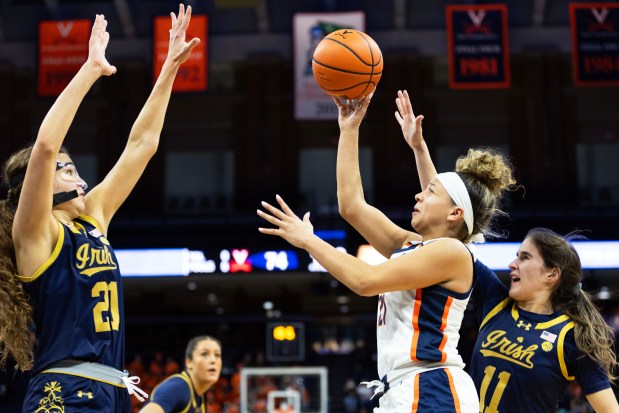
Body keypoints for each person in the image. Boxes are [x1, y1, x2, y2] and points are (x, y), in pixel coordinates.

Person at [257, 91, 516, 412]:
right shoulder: (415, 246)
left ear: (454, 215)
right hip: (405, 388)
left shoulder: (451, 253)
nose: (418, 197)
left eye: (429, 193)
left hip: (433, 388)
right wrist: (349, 129)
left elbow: (365, 281)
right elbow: (351, 206)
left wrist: (309, 240)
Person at [0, 5, 199, 412]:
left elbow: (142, 146)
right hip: (63, 391)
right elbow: (45, 147)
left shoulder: (93, 220)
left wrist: (169, 69)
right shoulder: (36, 233)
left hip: (111, 391)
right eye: (66, 169)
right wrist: (91, 68)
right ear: (34, 189)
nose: (77, 175)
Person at [396, 89, 619, 412]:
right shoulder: (496, 301)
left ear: (551, 274)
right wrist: (419, 149)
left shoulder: (571, 337)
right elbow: (447, 225)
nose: (513, 264)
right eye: (516, 256)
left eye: (525, 257)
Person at [138, 336, 222, 413]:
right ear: (189, 362)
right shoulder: (178, 388)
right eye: (204, 354)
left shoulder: (200, 396)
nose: (213, 360)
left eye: (217, 355)